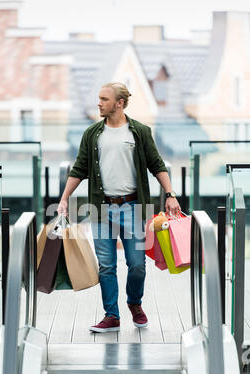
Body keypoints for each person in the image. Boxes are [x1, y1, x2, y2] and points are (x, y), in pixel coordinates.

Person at [57, 82, 180, 333]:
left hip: (135, 206)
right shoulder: (92, 134)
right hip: (101, 208)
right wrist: (63, 198)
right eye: (99, 98)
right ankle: (111, 315)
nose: (99, 103)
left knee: (136, 264)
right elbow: (79, 168)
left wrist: (170, 194)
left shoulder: (140, 132)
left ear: (119, 103)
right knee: (107, 265)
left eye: (104, 99)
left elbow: (157, 164)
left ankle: (134, 303)